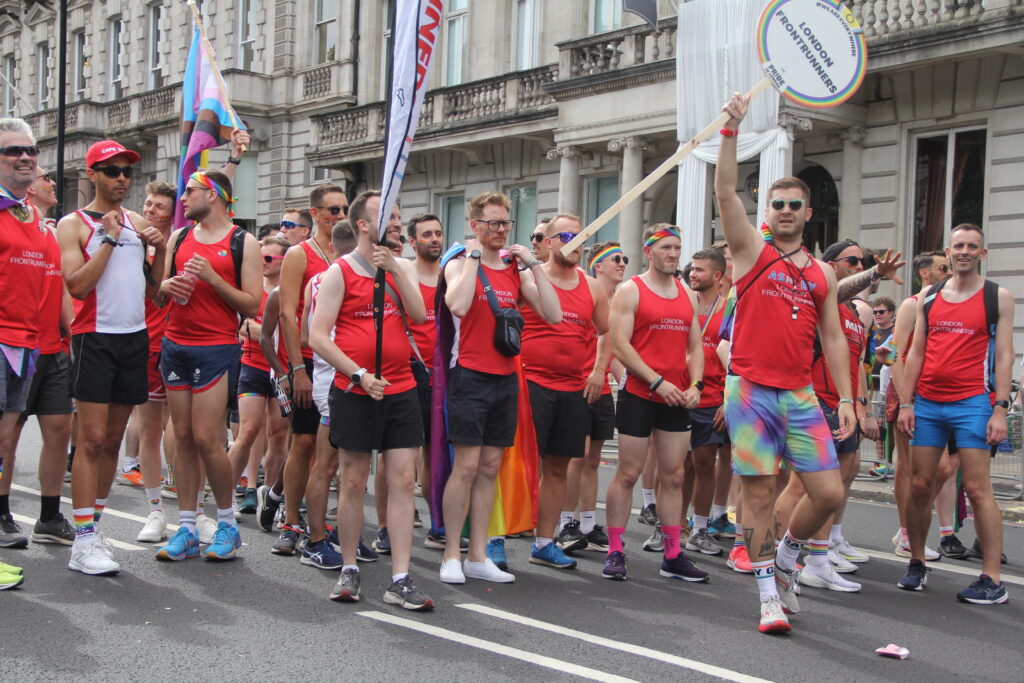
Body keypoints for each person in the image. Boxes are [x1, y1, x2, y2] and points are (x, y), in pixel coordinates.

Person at [715, 93, 855, 634]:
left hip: (799, 395)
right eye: (778, 204)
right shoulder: (750, 249)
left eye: (796, 204)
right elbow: (725, 190)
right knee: (758, 493)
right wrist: (731, 131)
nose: (787, 211)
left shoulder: (822, 274)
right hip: (750, 390)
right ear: (767, 211)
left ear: (809, 213)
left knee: (828, 492)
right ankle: (767, 596)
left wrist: (846, 398)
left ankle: (791, 558)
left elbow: (834, 338)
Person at [309, 190, 433, 610]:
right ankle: (349, 568)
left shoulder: (402, 267)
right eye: (390, 216)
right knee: (353, 480)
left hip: (401, 389)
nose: (398, 222)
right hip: (354, 390)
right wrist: (358, 374)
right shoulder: (339, 272)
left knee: (401, 482)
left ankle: (399, 577)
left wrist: (396, 269)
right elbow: (317, 336)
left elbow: (418, 316)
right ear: (364, 224)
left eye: (399, 214)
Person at [438, 191, 561, 585]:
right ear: (475, 226)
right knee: (467, 466)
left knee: (490, 467)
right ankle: (451, 555)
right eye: (492, 223)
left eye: (505, 223)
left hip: (506, 377)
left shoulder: (514, 269)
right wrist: (475, 256)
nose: (500, 230)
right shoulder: (458, 263)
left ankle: (478, 554)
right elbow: (457, 305)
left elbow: (554, 314)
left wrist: (535, 266)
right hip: (469, 374)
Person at [58, 140, 166, 575]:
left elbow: (153, 290)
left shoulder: (140, 223)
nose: (122, 178)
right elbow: (77, 287)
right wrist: (108, 237)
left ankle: (93, 529)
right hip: (93, 338)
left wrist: (161, 251)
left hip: (133, 337)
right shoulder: (73, 224)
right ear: (92, 175)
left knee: (115, 441)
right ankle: (82, 540)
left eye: (126, 171)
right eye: (112, 170)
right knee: (92, 439)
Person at [897, 224, 1014, 604]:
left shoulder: (998, 296)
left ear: (982, 254)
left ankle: (992, 579)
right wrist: (907, 402)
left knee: (979, 489)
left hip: (972, 403)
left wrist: (1000, 408)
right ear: (948, 252)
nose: (964, 251)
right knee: (919, 486)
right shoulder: (928, 296)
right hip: (928, 403)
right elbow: (915, 352)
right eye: (958, 246)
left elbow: (1004, 356)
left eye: (972, 247)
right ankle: (916, 561)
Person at [154, 170, 261, 563]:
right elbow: (159, 291)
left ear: (213, 195)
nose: (183, 198)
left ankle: (227, 524)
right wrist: (166, 289)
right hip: (175, 344)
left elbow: (251, 304)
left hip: (215, 348)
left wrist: (213, 278)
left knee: (206, 440)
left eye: (191, 191)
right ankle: (186, 525)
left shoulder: (241, 241)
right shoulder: (180, 237)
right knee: (181, 436)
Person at [601, 225, 708, 584]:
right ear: (649, 251)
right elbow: (620, 345)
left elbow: (695, 348)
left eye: (678, 247)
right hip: (640, 394)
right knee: (629, 473)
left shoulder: (687, 294)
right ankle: (615, 550)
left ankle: (673, 554)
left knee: (675, 476)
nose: (674, 254)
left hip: (676, 398)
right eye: (666, 247)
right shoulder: (631, 290)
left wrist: (696, 385)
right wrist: (656, 381)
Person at [520, 214, 609, 570]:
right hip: (531, 383)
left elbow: (606, 332)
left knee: (557, 467)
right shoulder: (527, 278)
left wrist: (599, 371)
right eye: (567, 236)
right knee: (518, 466)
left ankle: (544, 542)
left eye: (581, 236)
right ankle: (494, 538)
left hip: (573, 388)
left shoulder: (593, 286)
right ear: (551, 241)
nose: (575, 243)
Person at [270, 185, 348, 554]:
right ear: (315, 214)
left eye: (345, 209)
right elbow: (287, 313)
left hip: (343, 364)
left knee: (333, 449)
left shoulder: (349, 253)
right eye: (333, 210)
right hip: (309, 361)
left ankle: (320, 518)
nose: (340, 216)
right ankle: (290, 519)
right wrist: (296, 370)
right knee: (302, 443)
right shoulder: (301, 255)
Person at [0, 121, 51, 554]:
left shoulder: (30, 214)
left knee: (5, 439)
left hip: (26, 341)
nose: (24, 157)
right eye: (13, 151)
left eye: (31, 150)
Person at [557, 241, 626, 553]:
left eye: (624, 258)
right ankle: (565, 522)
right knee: (577, 456)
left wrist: (624, 380)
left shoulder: (620, 299)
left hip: (604, 389)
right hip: (579, 383)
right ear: (598, 266)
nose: (623, 263)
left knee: (594, 459)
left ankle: (586, 523)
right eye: (616, 259)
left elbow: (616, 348)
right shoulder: (585, 290)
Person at [888, 251, 958, 560]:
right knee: (907, 467)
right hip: (909, 396)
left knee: (941, 468)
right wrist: (906, 401)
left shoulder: (943, 307)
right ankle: (907, 534)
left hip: (934, 396)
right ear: (925, 274)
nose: (949, 271)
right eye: (943, 267)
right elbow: (896, 353)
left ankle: (910, 522)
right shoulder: (911, 304)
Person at [297, 220, 357, 569]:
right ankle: (315, 540)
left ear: (332, 248)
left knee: (347, 466)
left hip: (335, 378)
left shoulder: (317, 280)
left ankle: (338, 535)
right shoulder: (341, 278)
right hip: (336, 382)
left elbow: (306, 334)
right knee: (329, 464)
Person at [226, 236, 292, 519]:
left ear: (283, 262)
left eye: (268, 258)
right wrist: (265, 329)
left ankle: (268, 494)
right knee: (247, 431)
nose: (262, 263)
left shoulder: (291, 289)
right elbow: (243, 328)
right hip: (252, 364)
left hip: (282, 367)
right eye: (259, 258)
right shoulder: (251, 289)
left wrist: (260, 328)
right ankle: (227, 497)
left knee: (278, 434)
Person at [133, 181, 178, 543]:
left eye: (159, 206)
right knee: (150, 429)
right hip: (146, 346)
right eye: (148, 204)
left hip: (180, 346)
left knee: (189, 431)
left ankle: (192, 510)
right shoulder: (133, 245)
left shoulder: (179, 244)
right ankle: (154, 511)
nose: (151, 211)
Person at [682, 248, 729, 558]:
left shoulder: (731, 309)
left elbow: (737, 358)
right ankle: (671, 527)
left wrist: (728, 400)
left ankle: (699, 528)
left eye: (699, 270)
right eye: (692, 269)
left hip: (712, 398)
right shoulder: (682, 304)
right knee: (675, 468)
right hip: (677, 395)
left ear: (717, 276)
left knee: (704, 465)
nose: (692, 274)